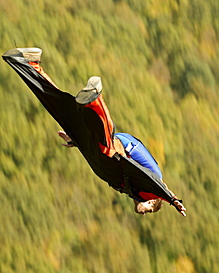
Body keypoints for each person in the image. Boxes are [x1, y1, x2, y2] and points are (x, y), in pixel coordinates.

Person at [2, 47, 186, 216]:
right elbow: (159, 189)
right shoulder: (154, 185)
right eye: (149, 209)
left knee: (61, 110)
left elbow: (139, 205)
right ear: (153, 200)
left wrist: (77, 140)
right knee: (107, 146)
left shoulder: (135, 189)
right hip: (118, 150)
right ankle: (94, 100)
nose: (143, 211)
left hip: (97, 156)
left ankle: (28, 63)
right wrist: (173, 200)